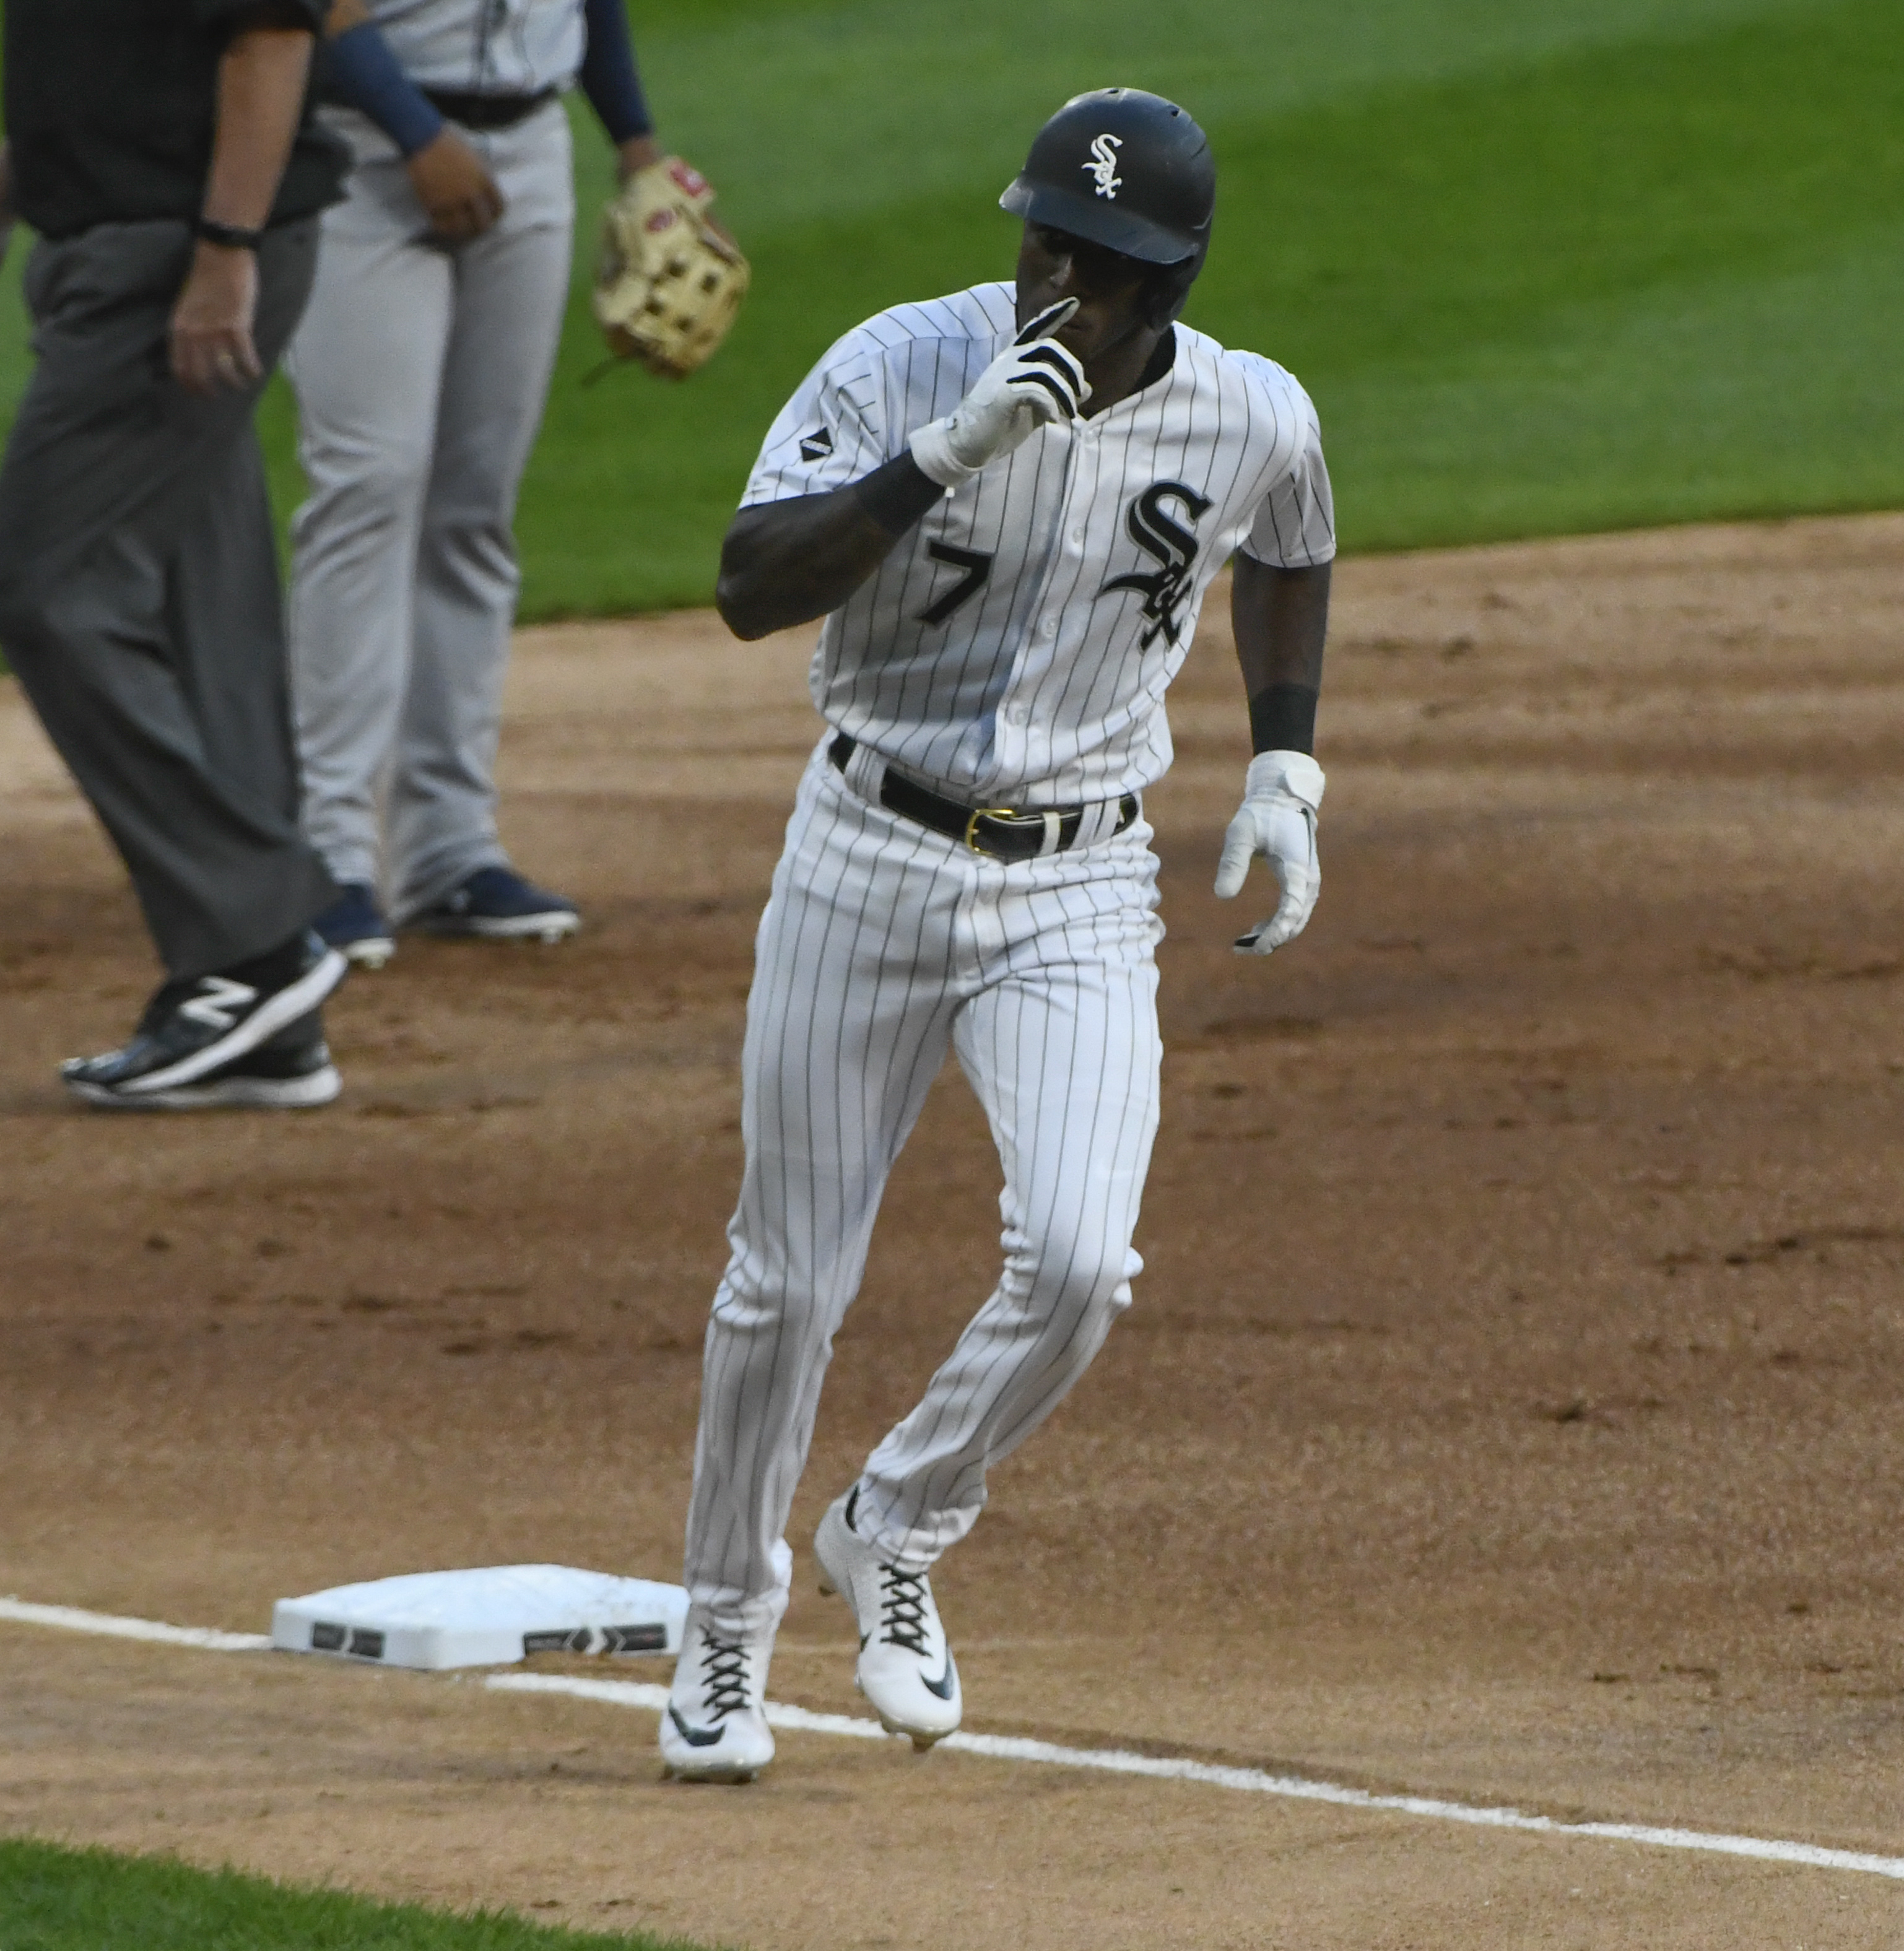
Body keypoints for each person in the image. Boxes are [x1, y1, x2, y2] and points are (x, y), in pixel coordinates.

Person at [659, 88, 1335, 1783]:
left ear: (1166, 280)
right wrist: (946, 451)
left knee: (1085, 1260)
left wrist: (1285, 762)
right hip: (865, 851)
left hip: (1080, 881)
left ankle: (893, 1522)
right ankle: (722, 1638)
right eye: (1043, 240)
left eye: (1099, 265)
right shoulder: (900, 363)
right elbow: (749, 586)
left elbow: (1294, 542)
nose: (1057, 284)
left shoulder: (1247, 410)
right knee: (788, 1281)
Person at [0, 0, 356, 1110]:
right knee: (211, 606)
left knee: (46, 587)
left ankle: (255, 936)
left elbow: (280, 28)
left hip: (178, 261)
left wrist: (226, 252)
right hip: (133, 238)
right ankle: (252, 1002)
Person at [287, 0, 682, 965]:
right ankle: (326, 855)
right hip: (364, 151)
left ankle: (449, 848)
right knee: (367, 488)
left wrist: (637, 146)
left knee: (474, 509)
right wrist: (420, 137)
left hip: (530, 145)